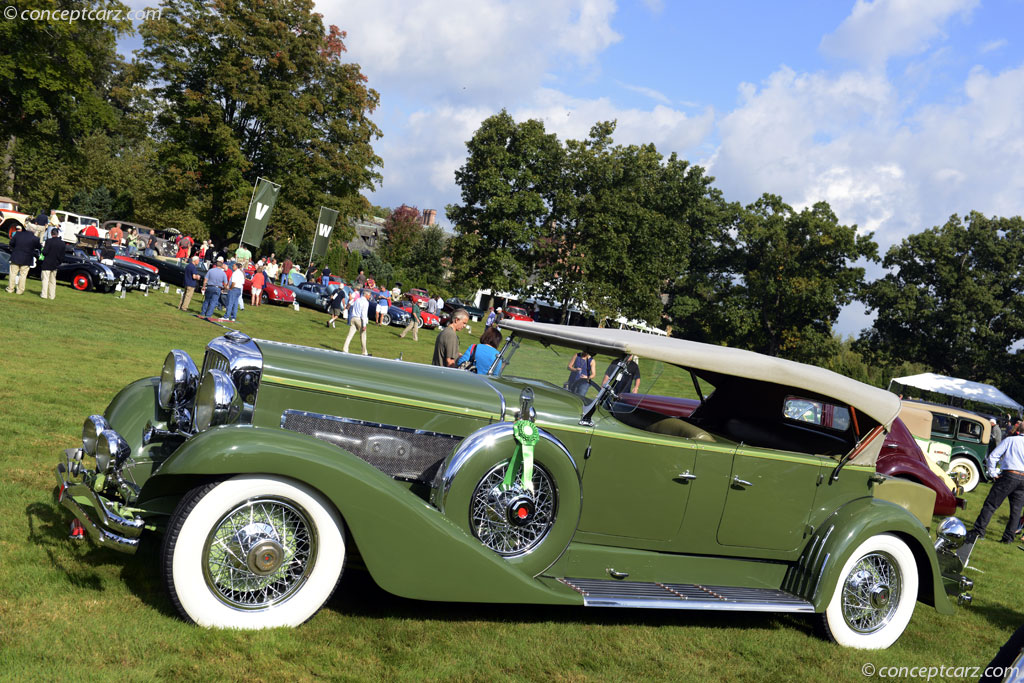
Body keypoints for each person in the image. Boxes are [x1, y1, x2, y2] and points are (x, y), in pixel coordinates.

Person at [966, 433, 1024, 544]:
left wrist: (992, 472)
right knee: (1016, 511)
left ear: (1018, 431)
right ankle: (1008, 538)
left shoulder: (1010, 440)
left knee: (991, 504)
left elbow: (993, 456)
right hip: (1022, 478)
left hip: (1010, 474)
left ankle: (979, 531)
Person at [6, 225, 41, 295]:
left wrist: (14, 250)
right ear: (34, 230)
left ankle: (10, 288)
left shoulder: (18, 234)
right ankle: (20, 290)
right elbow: (39, 247)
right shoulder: (35, 239)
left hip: (16, 256)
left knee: (13, 273)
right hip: (27, 258)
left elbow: (11, 243)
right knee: (23, 275)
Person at [343, 289, 371, 355]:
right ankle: (364, 352)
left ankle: (345, 348)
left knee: (350, 335)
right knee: (363, 336)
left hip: (353, 318)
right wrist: (364, 325)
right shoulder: (366, 302)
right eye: (369, 295)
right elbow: (364, 314)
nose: (369, 297)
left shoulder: (357, 300)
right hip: (359, 319)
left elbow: (353, 308)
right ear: (366, 295)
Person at [39, 227, 65, 299]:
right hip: (55, 264)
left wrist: (43, 249)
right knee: (53, 281)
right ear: (58, 234)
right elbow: (62, 256)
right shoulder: (62, 243)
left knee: (45, 280)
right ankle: (52, 296)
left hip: (47, 263)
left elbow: (45, 252)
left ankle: (44, 294)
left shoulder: (49, 241)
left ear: (51, 234)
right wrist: (59, 262)